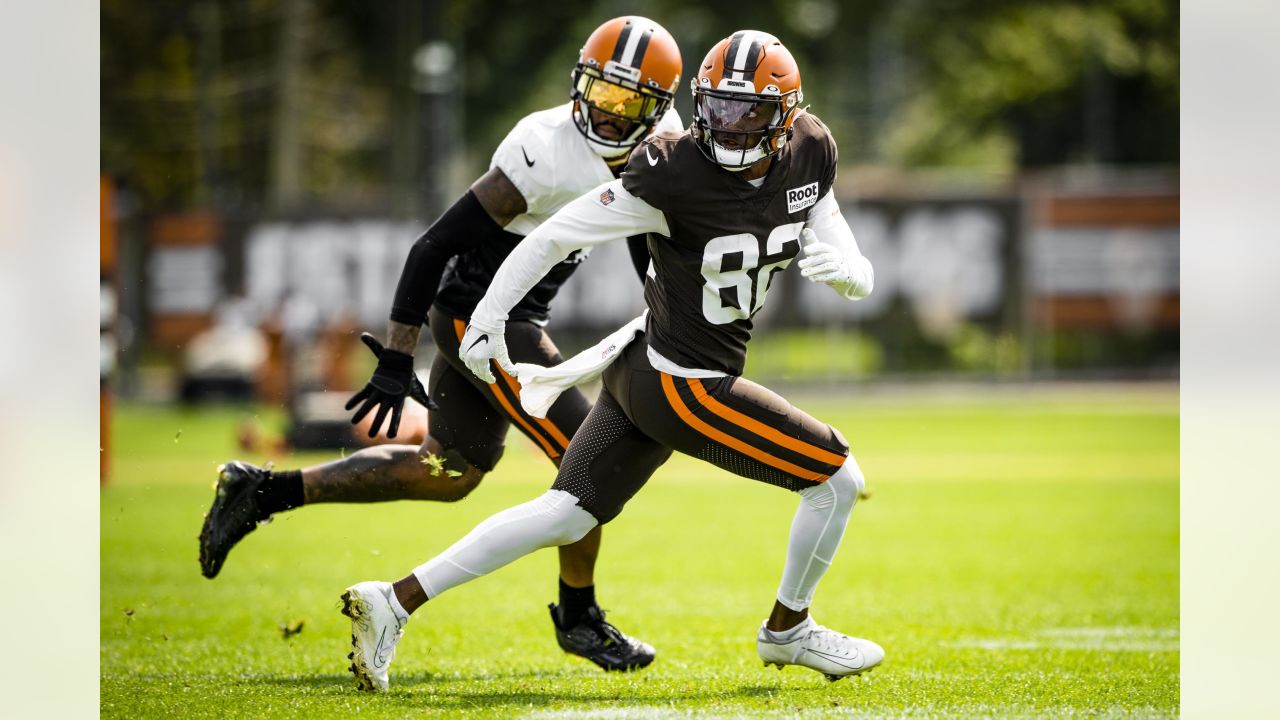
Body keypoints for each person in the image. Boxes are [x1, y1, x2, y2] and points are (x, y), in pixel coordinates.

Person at [338, 30, 884, 693]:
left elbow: (824, 213)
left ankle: (392, 601)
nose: (732, 128)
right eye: (718, 109)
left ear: (787, 116)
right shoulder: (673, 169)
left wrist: (856, 270)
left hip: (641, 361)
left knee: (568, 512)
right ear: (697, 105)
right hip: (686, 384)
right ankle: (788, 631)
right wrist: (488, 317)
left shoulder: (811, 149)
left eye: (750, 113)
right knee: (837, 478)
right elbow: (553, 235)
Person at [198, 15, 684, 676]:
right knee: (589, 460)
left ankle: (263, 491)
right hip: (480, 319)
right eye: (600, 93)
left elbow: (639, 230)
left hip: (512, 320)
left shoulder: (659, 150)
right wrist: (398, 355)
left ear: (657, 109)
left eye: (627, 102)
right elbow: (433, 246)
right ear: (579, 82)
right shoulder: (544, 147)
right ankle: (578, 617)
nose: (607, 113)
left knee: (449, 473)